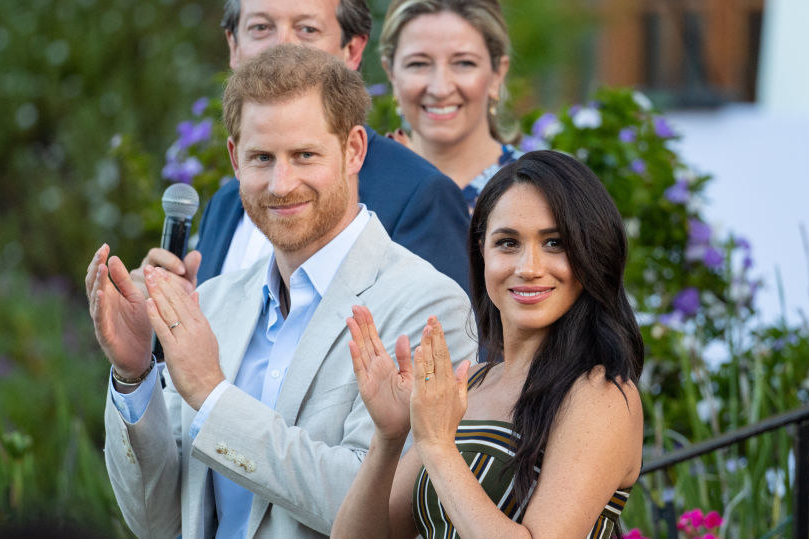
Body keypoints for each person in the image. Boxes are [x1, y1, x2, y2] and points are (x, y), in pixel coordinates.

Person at [86, 44, 475, 539]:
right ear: (234, 158)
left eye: (304, 155)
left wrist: (212, 393)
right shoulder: (217, 300)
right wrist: (133, 373)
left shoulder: (428, 305)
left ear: (355, 149)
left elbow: (374, 515)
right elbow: (158, 522)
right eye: (262, 157)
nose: (281, 183)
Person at [331, 150, 645, 538]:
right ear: (482, 252)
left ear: (591, 252)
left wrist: (439, 446)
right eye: (508, 243)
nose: (528, 268)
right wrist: (390, 438)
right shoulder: (471, 384)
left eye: (554, 243)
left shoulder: (600, 393)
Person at [135, 0, 472, 294]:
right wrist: (145, 357)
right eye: (261, 27)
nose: (283, 47)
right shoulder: (225, 205)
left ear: (352, 50)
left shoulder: (420, 197)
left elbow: (444, 357)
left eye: (307, 29)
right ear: (234, 46)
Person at [379, 0, 522, 211]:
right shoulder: (358, 186)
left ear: (497, 74)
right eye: (418, 63)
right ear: (391, 74)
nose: (440, 89)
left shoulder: (543, 189)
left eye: (464, 63)